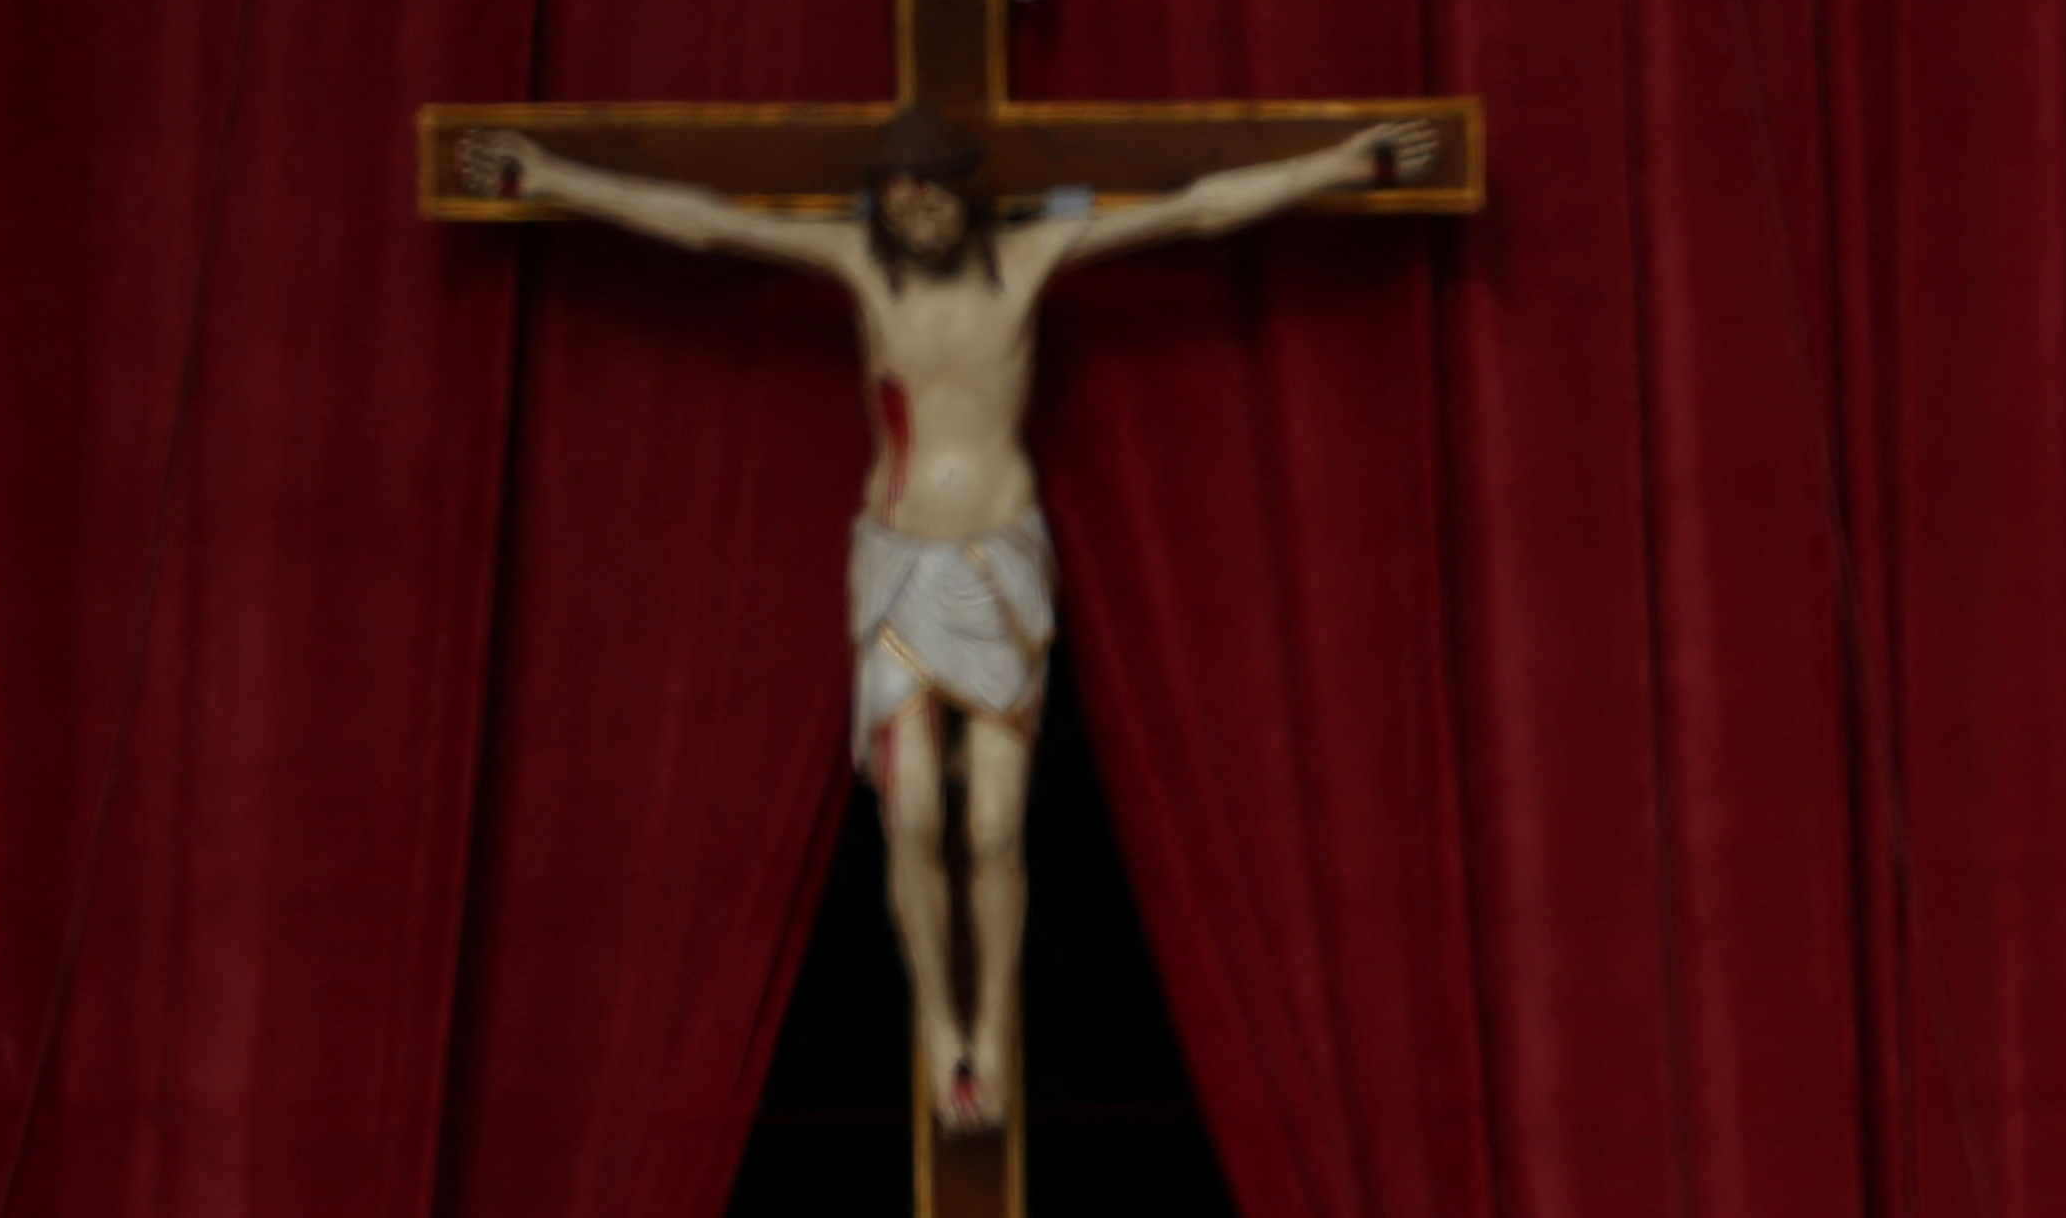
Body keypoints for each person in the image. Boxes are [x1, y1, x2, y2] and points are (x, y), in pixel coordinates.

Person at [454, 99, 1439, 1136]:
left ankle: (994, 1026)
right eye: (899, 199)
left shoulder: (1030, 258)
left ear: (967, 195)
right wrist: (553, 179)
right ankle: (940, 1021)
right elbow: (706, 223)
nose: (916, 215)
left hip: (1000, 562)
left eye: (932, 195)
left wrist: (1339, 163)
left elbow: (1198, 209)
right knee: (916, 813)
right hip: (898, 566)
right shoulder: (861, 267)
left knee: (997, 822)